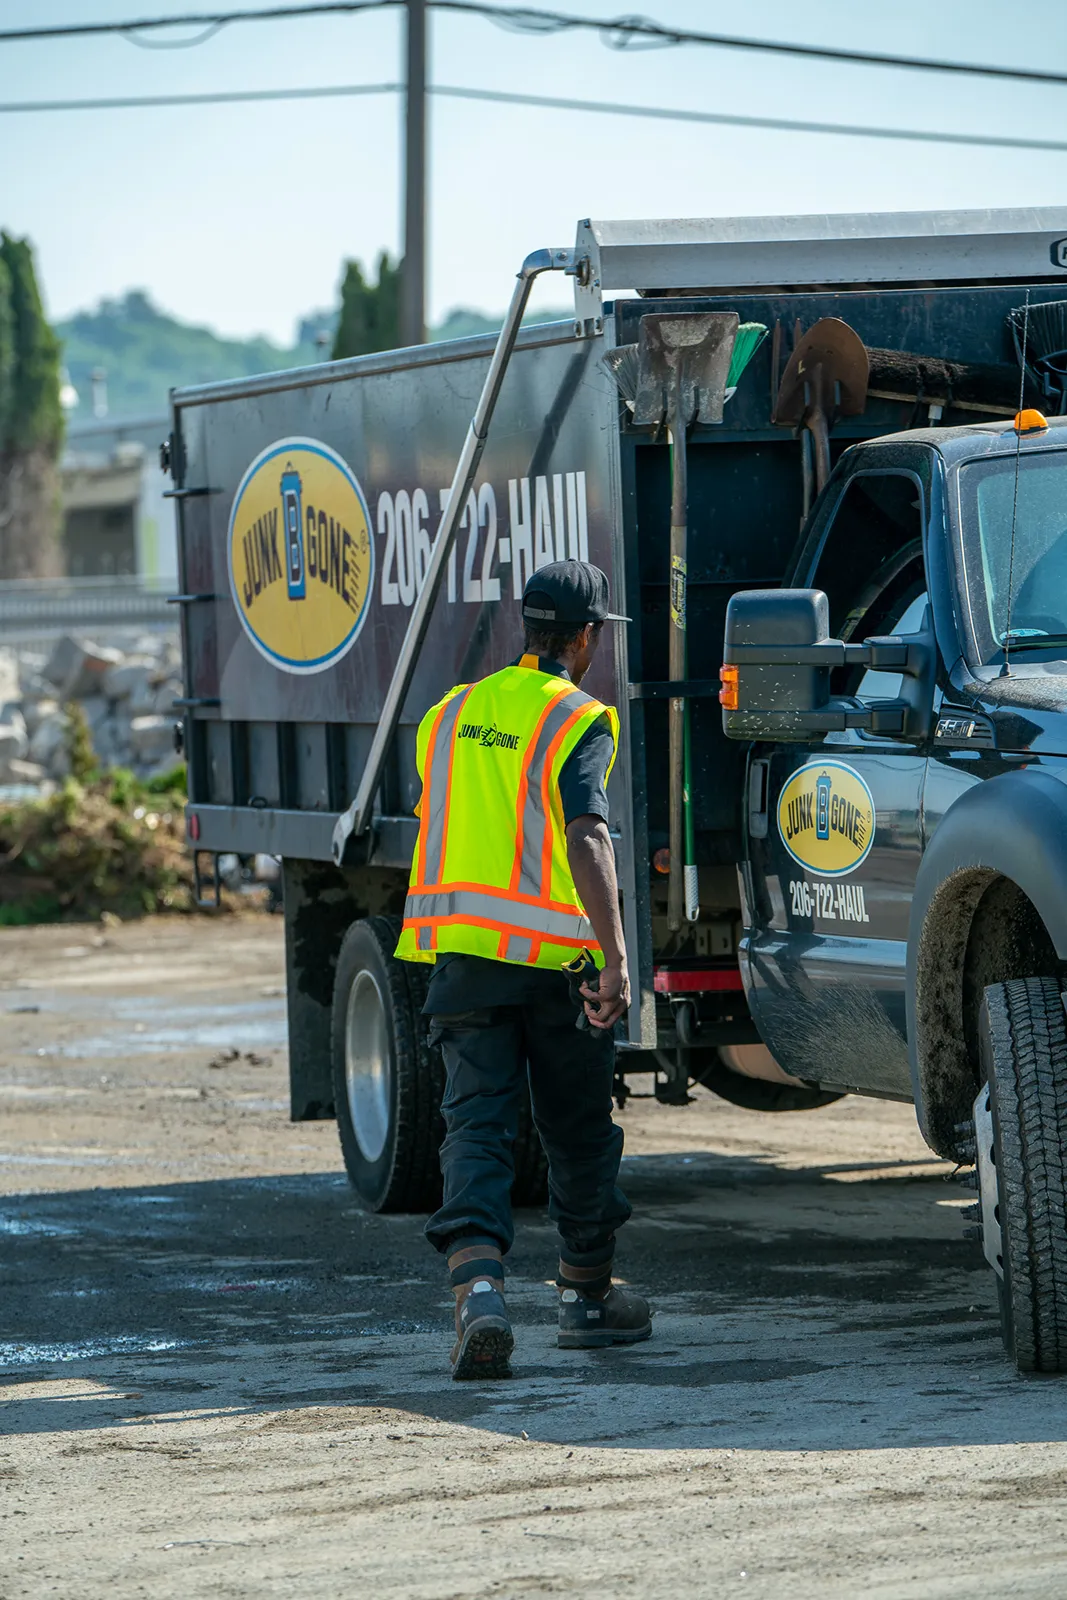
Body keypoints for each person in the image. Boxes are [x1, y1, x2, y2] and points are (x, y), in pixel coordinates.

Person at [396, 559, 651, 1379]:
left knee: (474, 1126)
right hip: (557, 962)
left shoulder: (448, 713)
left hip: (464, 957)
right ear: (583, 638)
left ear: (525, 630)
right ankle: (584, 1297)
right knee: (576, 1130)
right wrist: (614, 959)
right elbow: (586, 835)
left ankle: (478, 1295)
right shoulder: (577, 718)